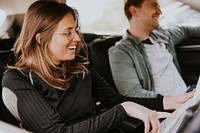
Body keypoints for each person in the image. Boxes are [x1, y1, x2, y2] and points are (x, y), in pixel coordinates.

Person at [1, 1, 194, 133]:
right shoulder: (16, 81)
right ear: (41, 39)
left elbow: (115, 100)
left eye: (76, 30)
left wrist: (171, 102)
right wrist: (122, 110)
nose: (77, 38)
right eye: (67, 33)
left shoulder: (79, 67)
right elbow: (57, 131)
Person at [108, 0, 200, 98]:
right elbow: (132, 93)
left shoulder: (162, 36)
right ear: (134, 11)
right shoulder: (120, 52)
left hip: (189, 94)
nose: (160, 11)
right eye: (154, 6)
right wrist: (175, 101)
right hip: (170, 108)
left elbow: (185, 30)